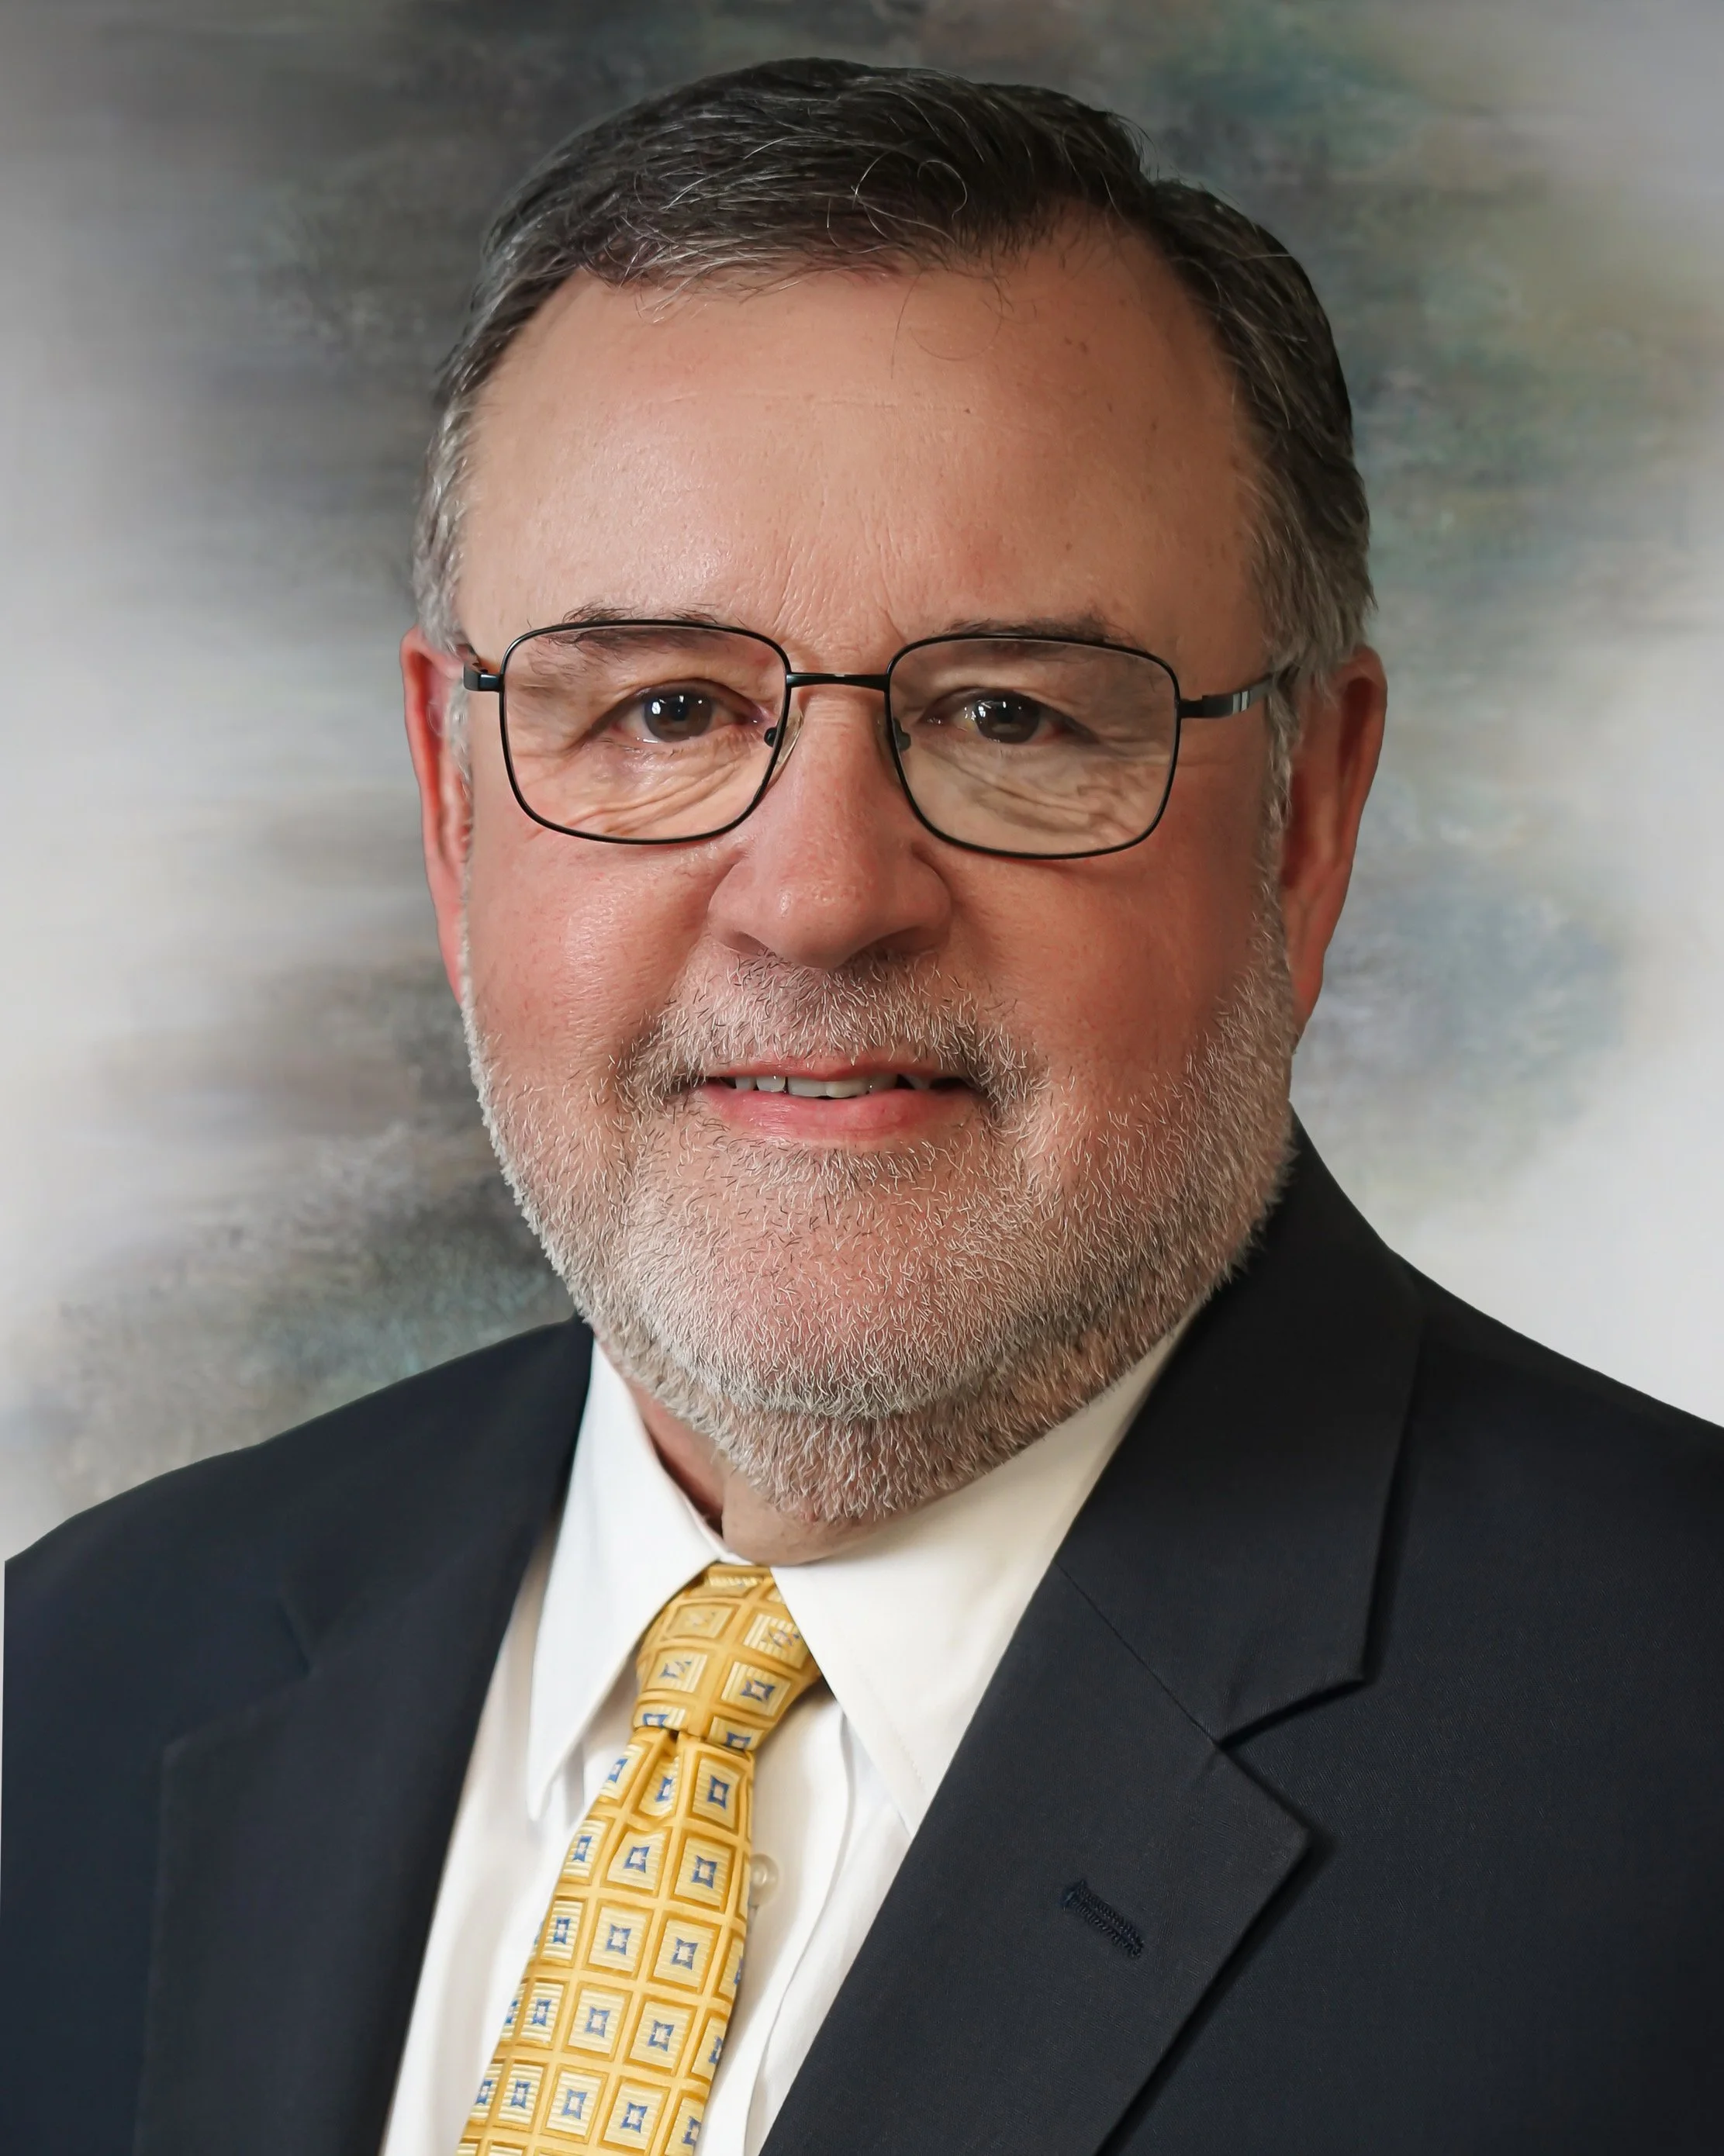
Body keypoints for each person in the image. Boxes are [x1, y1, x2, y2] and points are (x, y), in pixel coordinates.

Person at [4, 55, 1722, 2156]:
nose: (818, 897)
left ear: (1307, 816)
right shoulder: (84, 1671)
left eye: (1008, 716)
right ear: (454, 816)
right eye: (660, 709)